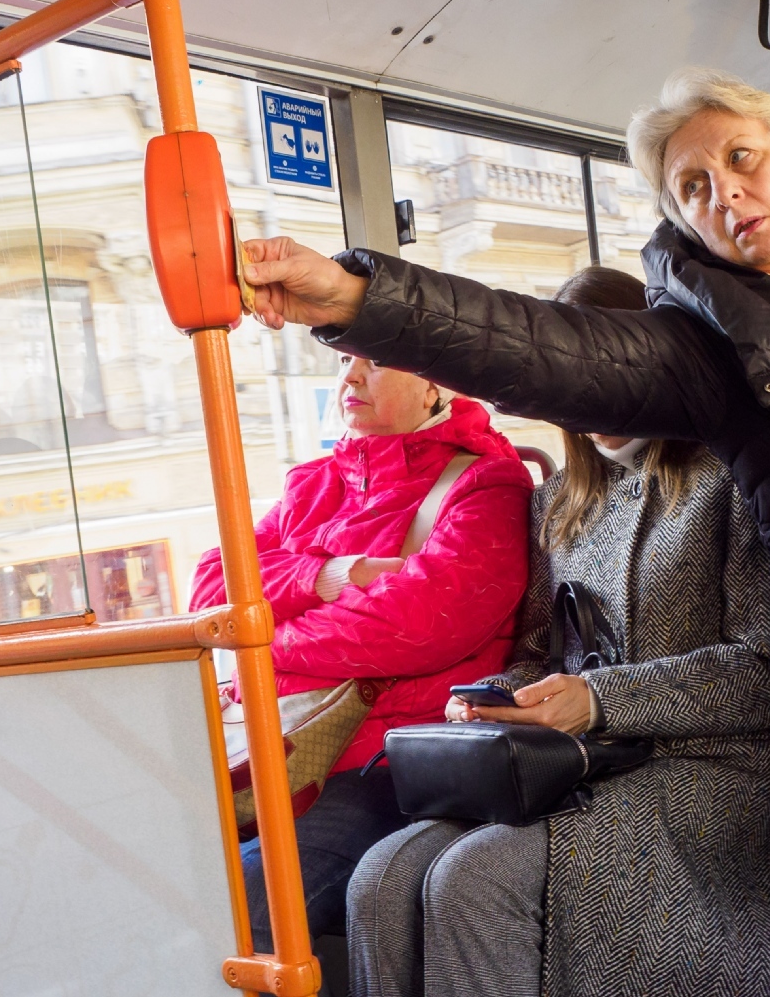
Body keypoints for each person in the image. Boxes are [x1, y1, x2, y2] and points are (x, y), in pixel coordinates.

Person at [240, 70, 770, 993]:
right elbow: (544, 349)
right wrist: (353, 298)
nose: (724, 191)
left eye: (741, 158)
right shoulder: (710, 358)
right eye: (691, 186)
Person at [346, 265, 770, 997]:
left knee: (474, 880)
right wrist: (500, 697)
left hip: (717, 771)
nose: (586, 401)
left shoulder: (731, 476)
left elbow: (765, 672)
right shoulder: (559, 499)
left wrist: (595, 698)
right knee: (380, 876)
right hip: (580, 761)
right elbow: (538, 651)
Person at [189, 352, 531, 953]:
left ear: (434, 383)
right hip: (274, 751)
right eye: (344, 359)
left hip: (384, 762)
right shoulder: (313, 482)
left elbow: (420, 622)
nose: (348, 376)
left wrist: (265, 643)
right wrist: (332, 576)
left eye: (374, 362)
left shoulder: (486, 481)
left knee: (243, 911)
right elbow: (211, 588)